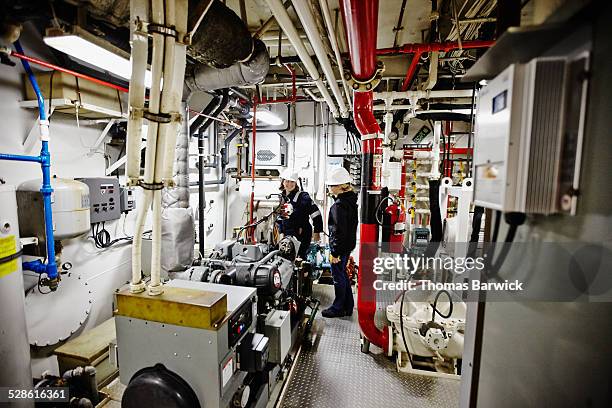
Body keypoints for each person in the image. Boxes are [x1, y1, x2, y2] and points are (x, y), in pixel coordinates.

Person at [321, 167, 358, 318]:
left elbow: (338, 231)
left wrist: (334, 252)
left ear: (340, 187)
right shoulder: (350, 201)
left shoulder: (338, 206)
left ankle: (338, 308)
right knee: (343, 274)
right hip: (348, 245)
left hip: (340, 248)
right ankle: (348, 306)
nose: (329, 188)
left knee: (338, 277)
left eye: (331, 185)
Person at [277, 169, 323, 259]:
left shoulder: (303, 197)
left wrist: (317, 231)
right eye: (287, 181)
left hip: (302, 234)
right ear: (283, 182)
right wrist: (281, 231)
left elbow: (316, 214)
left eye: (292, 182)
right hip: (287, 234)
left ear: (296, 183)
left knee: (300, 259)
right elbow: (282, 217)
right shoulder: (282, 198)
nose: (289, 184)